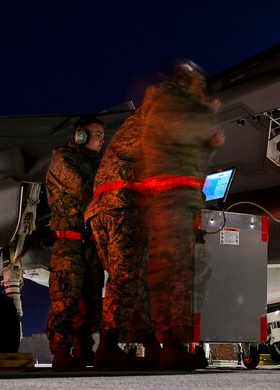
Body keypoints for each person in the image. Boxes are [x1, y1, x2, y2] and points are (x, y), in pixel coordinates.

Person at [138, 60, 224, 370]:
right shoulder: (171, 100)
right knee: (186, 271)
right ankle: (175, 342)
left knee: (180, 272)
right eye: (200, 86)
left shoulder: (166, 104)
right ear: (187, 82)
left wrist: (209, 147)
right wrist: (207, 110)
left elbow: (184, 148)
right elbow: (188, 128)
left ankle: (178, 342)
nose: (203, 92)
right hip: (175, 199)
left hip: (174, 197)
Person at [86, 86, 161, 368]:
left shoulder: (132, 125)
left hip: (101, 210)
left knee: (129, 280)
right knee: (127, 278)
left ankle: (151, 345)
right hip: (123, 207)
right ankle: (106, 346)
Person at [45, 116, 106, 368]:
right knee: (66, 298)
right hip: (68, 243)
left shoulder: (99, 164)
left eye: (103, 135)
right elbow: (84, 188)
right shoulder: (63, 159)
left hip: (91, 243)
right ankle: (61, 352)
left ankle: (83, 349)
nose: (103, 140)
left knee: (91, 300)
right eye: (98, 135)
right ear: (80, 136)